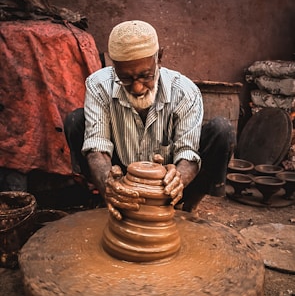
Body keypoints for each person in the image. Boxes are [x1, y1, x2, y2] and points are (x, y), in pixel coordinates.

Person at [65, 20, 236, 219]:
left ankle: (188, 206)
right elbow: (97, 146)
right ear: (114, 67)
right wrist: (108, 183)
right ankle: (109, 198)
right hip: (122, 172)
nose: (137, 88)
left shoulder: (185, 92)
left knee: (222, 130)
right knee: (75, 121)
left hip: (165, 182)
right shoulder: (99, 85)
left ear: (159, 58)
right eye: (126, 79)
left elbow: (188, 152)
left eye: (146, 76)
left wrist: (177, 179)